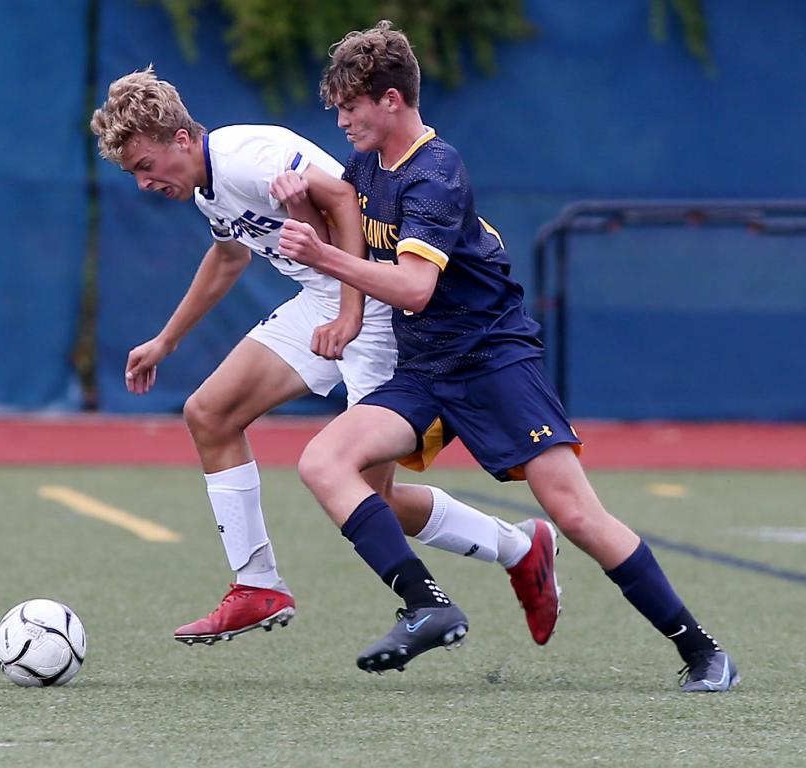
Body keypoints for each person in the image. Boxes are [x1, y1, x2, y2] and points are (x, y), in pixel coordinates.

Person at [277, 21, 738, 690]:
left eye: (351, 106)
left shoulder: (436, 172)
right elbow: (355, 237)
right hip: (426, 371)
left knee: (577, 514)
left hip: (494, 361)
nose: (342, 120)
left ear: (392, 101)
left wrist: (321, 252)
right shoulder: (367, 168)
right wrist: (310, 217)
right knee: (323, 461)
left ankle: (702, 650)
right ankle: (426, 605)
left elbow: (413, 285)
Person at [89, 67, 562, 651]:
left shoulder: (242, 157)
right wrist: (167, 340)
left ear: (180, 140)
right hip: (321, 300)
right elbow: (228, 257)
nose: (143, 183)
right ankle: (257, 585)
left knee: (369, 495)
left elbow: (342, 199)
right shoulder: (209, 182)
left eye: (144, 167)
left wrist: (350, 313)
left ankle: (515, 550)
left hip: (372, 305)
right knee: (209, 413)